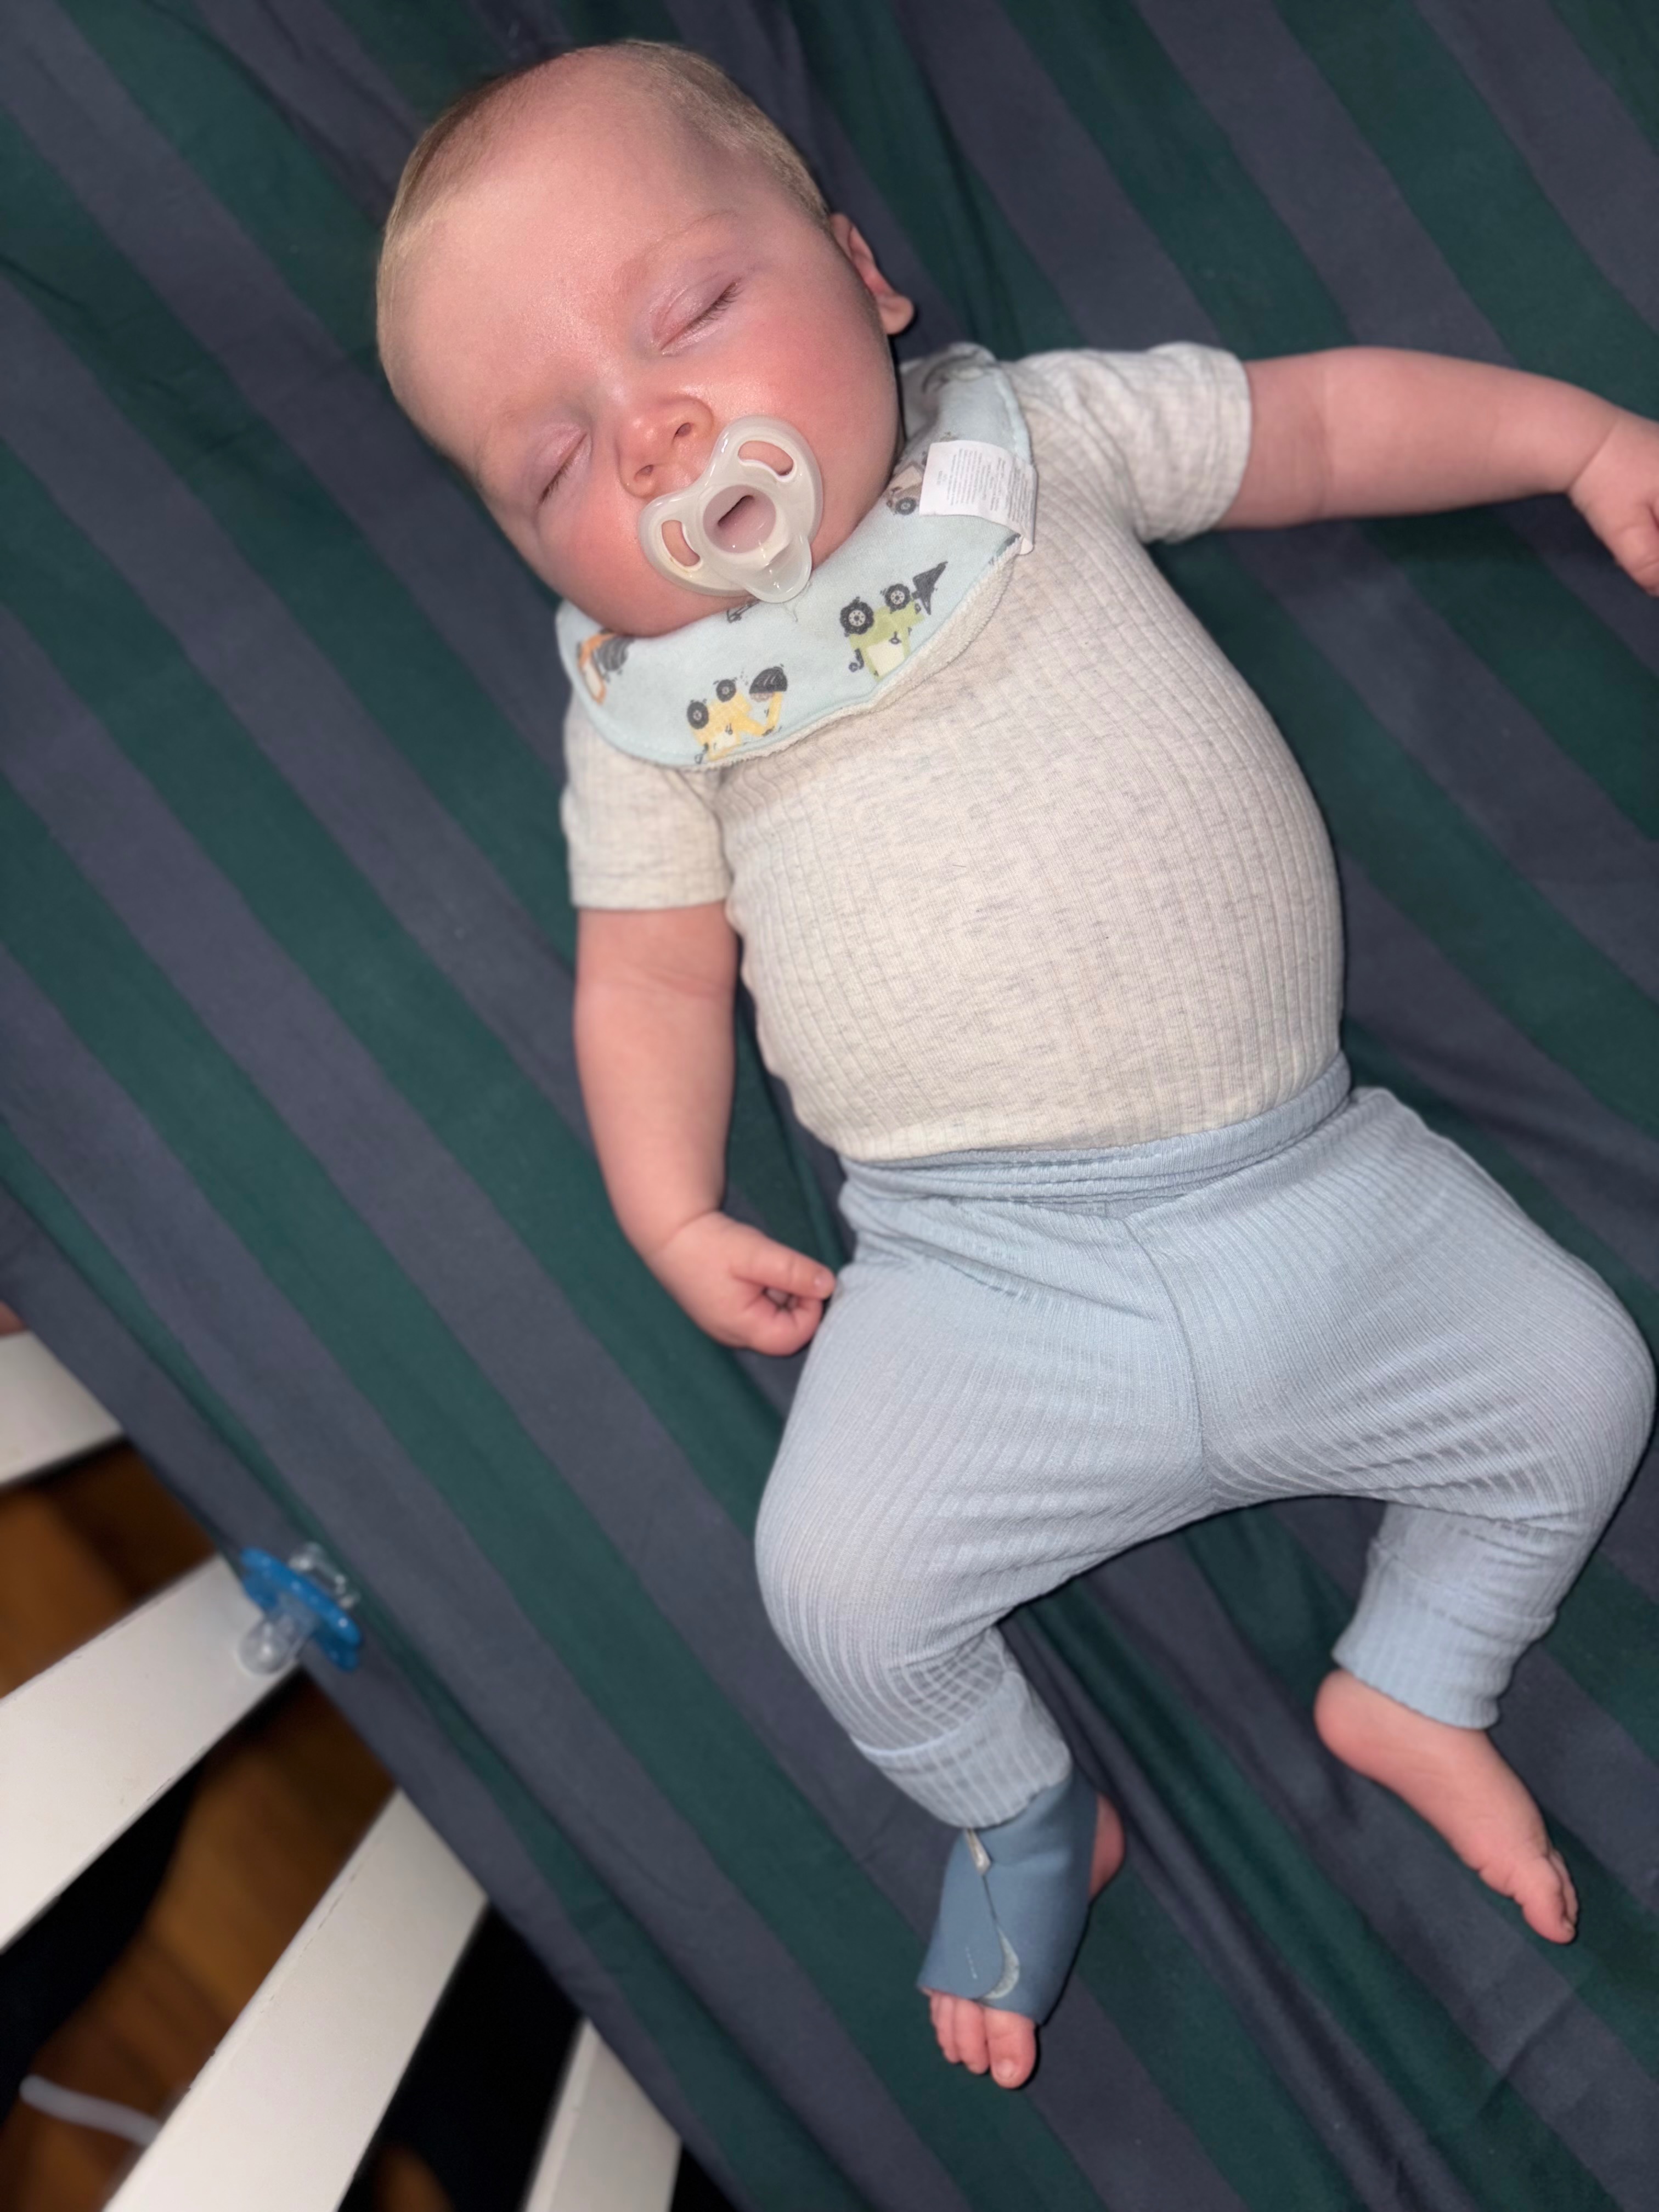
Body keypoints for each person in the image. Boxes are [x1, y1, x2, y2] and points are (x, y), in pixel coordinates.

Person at [374, 40, 1657, 2092]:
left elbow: (1323, 427)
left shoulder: (1036, 446)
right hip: (981, 1287)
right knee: (839, 1588)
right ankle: (1024, 1809)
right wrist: (667, 1208)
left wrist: (1575, 441)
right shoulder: (652, 718)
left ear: (866, 271)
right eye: (553, 463)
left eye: (688, 314)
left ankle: (1421, 1676)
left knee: (1585, 1380)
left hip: (1323, 1195)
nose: (654, 433)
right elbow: (650, 981)